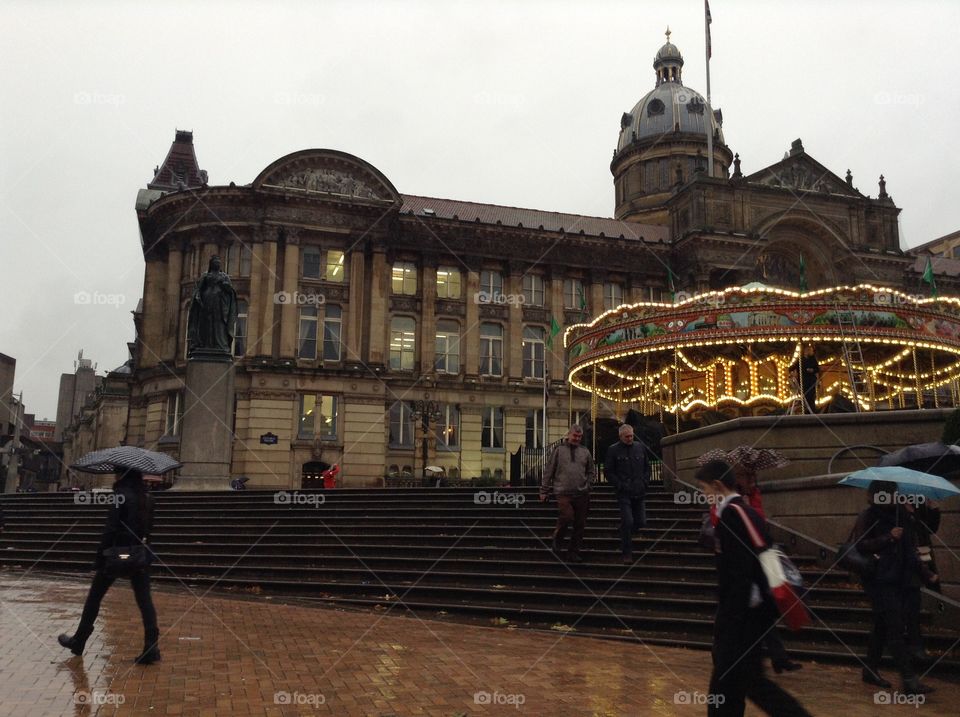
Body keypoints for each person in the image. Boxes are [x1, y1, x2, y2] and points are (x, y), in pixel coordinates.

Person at [695, 460, 811, 717]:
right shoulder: (745, 512)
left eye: (704, 489)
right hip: (751, 616)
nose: (704, 495)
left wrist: (729, 621)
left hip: (742, 619)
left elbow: (739, 575)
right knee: (729, 686)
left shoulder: (732, 515)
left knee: (751, 685)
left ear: (717, 485)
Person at [58, 469, 161, 665]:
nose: (114, 474)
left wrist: (101, 555)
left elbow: (110, 529)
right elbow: (149, 530)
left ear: (122, 475)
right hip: (139, 554)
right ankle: (151, 647)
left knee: (94, 597)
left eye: (117, 471)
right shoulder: (148, 498)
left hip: (116, 554)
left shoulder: (119, 496)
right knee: (145, 601)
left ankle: (79, 640)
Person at [852, 481, 935, 695]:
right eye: (889, 494)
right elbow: (861, 544)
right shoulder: (868, 516)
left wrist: (925, 573)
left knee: (882, 625)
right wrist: (889, 537)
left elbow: (911, 549)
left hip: (900, 580)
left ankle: (869, 669)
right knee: (895, 627)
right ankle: (909, 679)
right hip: (879, 580)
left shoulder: (902, 516)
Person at [540, 425, 596, 563]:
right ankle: (558, 538)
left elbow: (591, 471)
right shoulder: (559, 450)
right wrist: (544, 490)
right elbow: (549, 470)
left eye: (579, 436)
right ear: (569, 435)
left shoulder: (585, 452)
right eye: (574, 436)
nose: (577, 439)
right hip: (562, 491)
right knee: (566, 516)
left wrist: (588, 485)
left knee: (580, 524)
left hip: (581, 492)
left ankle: (573, 552)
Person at [604, 424, 649, 564]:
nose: (630, 438)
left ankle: (624, 531)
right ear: (621, 436)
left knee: (641, 521)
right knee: (628, 521)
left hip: (639, 490)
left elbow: (646, 467)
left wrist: (645, 482)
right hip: (624, 492)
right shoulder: (613, 450)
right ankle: (627, 552)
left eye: (631, 436)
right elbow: (608, 471)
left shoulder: (640, 447)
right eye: (627, 436)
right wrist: (619, 485)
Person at [791, 345, 819, 413]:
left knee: (811, 396)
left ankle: (811, 409)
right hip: (804, 380)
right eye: (808, 350)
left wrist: (812, 370)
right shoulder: (800, 360)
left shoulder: (813, 359)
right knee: (806, 395)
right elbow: (792, 367)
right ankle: (806, 409)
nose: (810, 352)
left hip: (811, 380)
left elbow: (817, 369)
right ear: (805, 351)